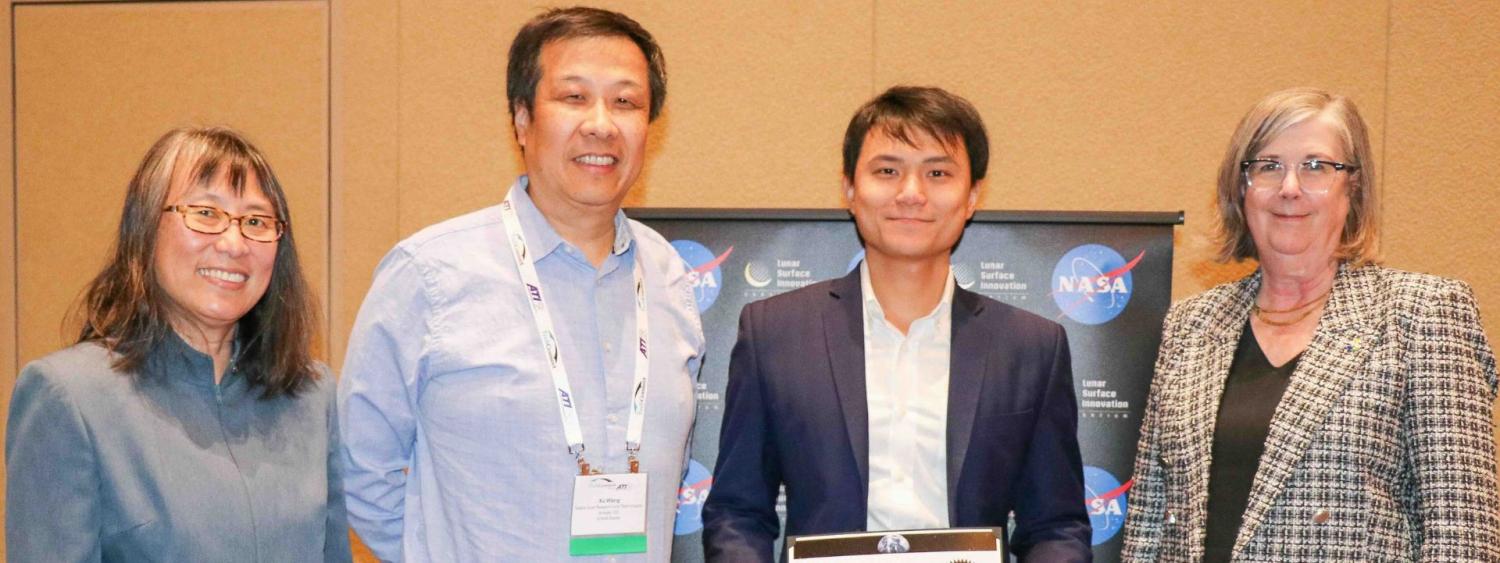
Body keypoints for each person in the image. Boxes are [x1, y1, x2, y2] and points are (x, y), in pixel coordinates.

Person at [338, 7, 703, 562]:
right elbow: (362, 474)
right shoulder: (428, 274)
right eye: (574, 97)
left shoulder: (670, 277)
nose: (601, 123)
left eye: (626, 102)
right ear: (522, 119)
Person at [702, 86, 1092, 562]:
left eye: (938, 173)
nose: (912, 193)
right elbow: (737, 512)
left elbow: (1055, 524)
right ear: (849, 187)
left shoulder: (1031, 346)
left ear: (971, 196)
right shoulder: (775, 332)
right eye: (887, 171)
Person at [1120, 87, 1499, 562]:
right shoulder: (1190, 326)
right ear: (1241, 188)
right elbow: (1150, 526)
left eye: (1317, 166)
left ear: (1353, 187)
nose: (1290, 187)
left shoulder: (1423, 314)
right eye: (1268, 165)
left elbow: (1463, 539)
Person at [5, 127, 350, 562]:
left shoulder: (311, 394)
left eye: (256, 222)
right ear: (146, 228)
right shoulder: (70, 397)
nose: (233, 243)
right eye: (206, 213)